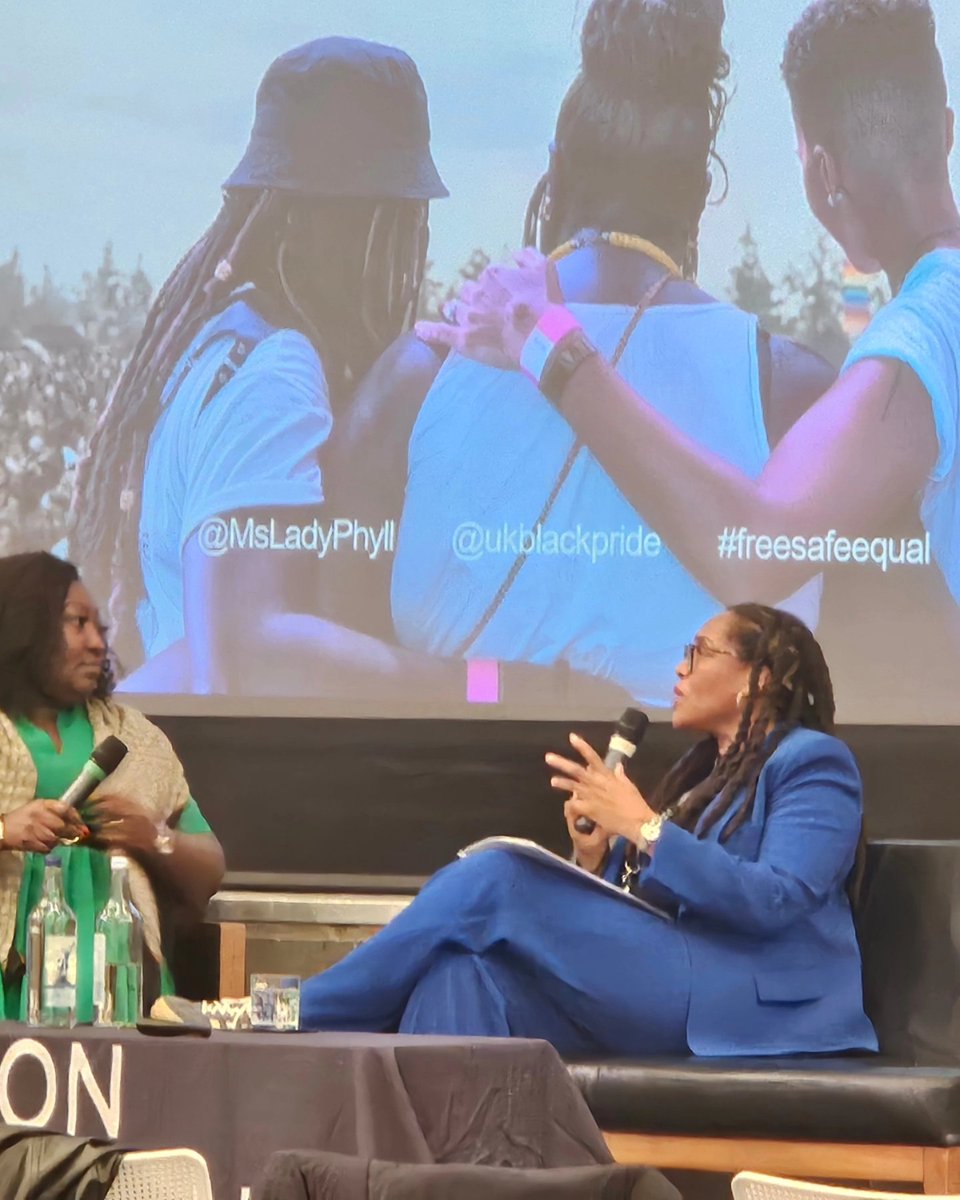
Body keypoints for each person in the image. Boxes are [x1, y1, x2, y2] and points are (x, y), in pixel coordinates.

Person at [277, 0, 835, 713]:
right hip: (708, 821)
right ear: (700, 193)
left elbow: (335, 682)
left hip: (440, 818)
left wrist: (493, 685)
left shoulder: (417, 378)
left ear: (556, 172)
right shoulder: (795, 394)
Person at [418, 0, 960, 720]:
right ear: (948, 131)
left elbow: (754, 555)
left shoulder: (926, 331)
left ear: (823, 169)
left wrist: (546, 340)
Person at [297, 604, 877, 1058]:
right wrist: (595, 858)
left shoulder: (813, 763)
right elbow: (658, 898)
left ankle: (301, 1009)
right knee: (458, 978)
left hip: (750, 1003)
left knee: (500, 877)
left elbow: (777, 899)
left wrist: (646, 827)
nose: (680, 668)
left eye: (698, 653)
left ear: (757, 679)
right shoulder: (703, 776)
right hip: (673, 984)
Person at [68, 37, 447, 692]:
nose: (412, 250)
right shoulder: (275, 373)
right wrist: (477, 684)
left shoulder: (217, 341)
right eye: (404, 221)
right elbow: (248, 656)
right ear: (351, 224)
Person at [0, 551, 225, 1021]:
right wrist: (5, 830)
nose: (97, 643)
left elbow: (210, 870)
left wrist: (152, 838)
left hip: (119, 981)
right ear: (23, 627)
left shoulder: (133, 738)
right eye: (76, 623)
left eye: (99, 628)